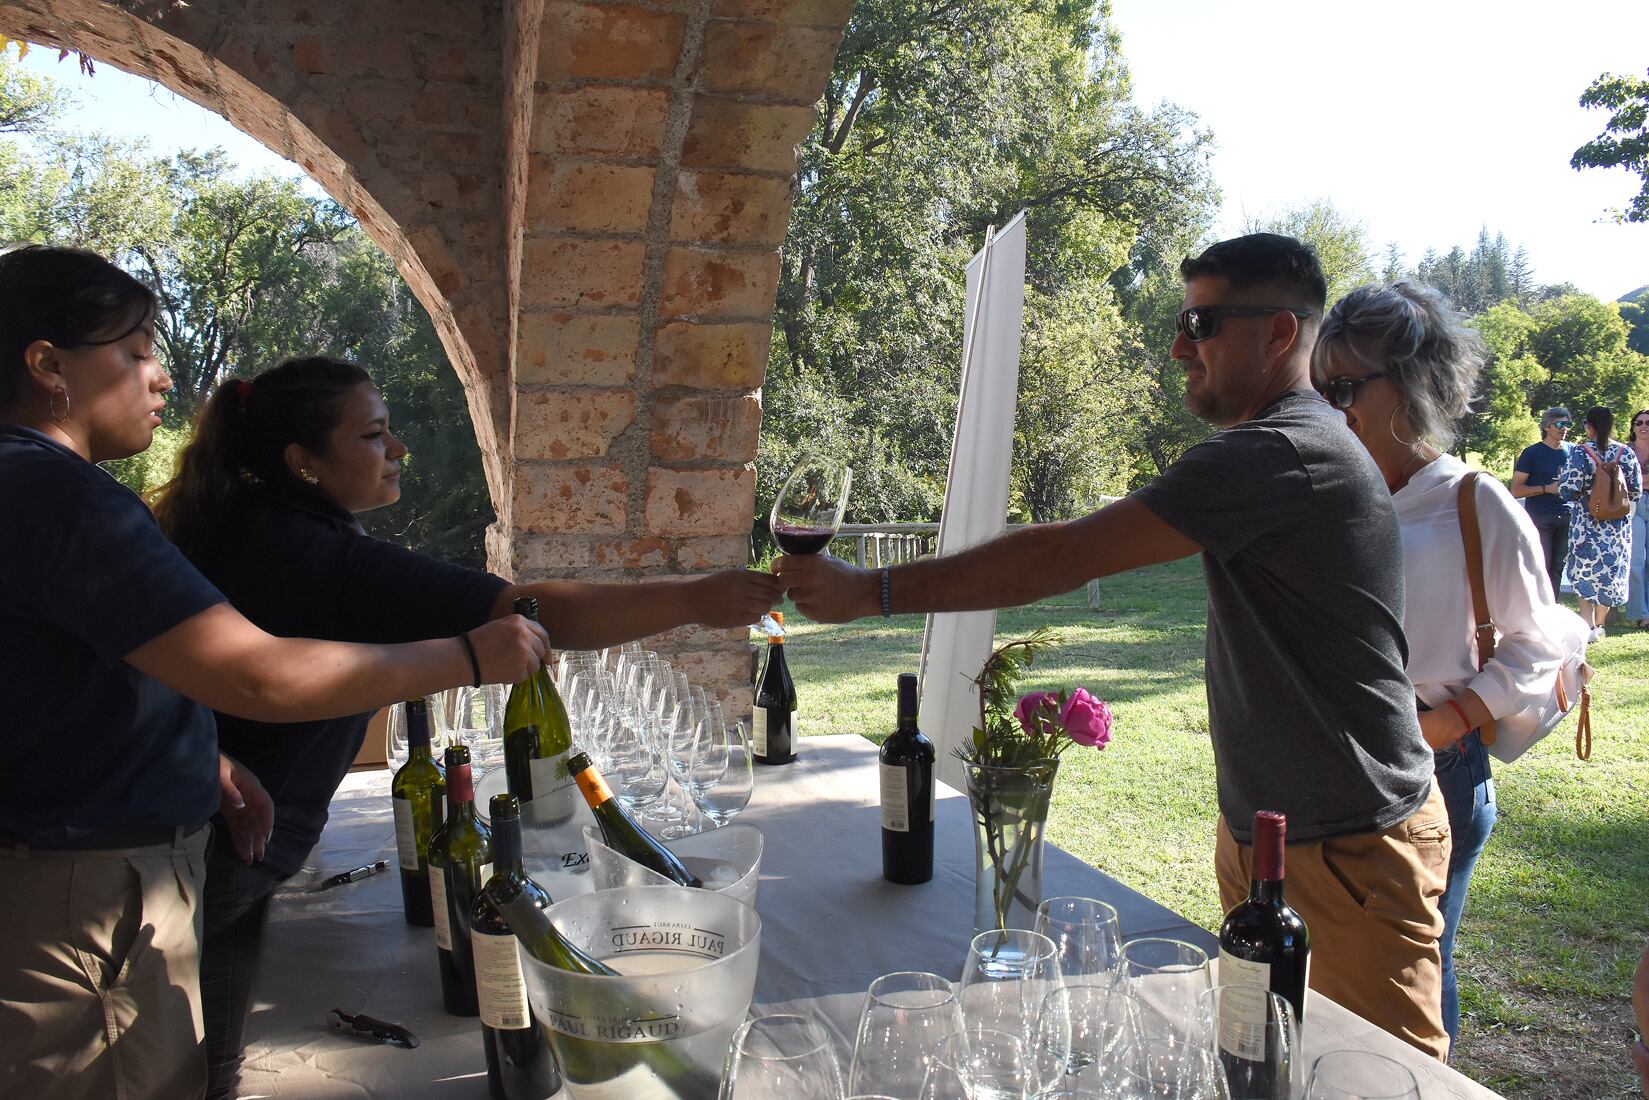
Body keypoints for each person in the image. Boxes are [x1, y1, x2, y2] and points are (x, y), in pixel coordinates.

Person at [776, 233, 1452, 1060]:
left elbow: (1066, 552)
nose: (1179, 344)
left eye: (1202, 323)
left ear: (1279, 333)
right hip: (1277, 835)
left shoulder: (1283, 450)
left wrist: (870, 591)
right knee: (1267, 1064)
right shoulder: (1285, 445)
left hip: (1350, 840)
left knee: (1381, 1076)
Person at [149, 355, 784, 1099]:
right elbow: (527, 611)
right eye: (376, 435)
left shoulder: (239, 528)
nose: (400, 450)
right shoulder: (318, 556)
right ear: (303, 462)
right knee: (192, 1076)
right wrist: (694, 596)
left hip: (201, 830)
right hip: (215, 853)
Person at [0, 245, 548, 1100]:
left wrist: (200, 756)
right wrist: (471, 657)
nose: (159, 379)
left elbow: (57, 672)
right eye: (137, 351)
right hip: (79, 899)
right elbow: (255, 676)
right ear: (47, 365)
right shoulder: (57, 491)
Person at [1312, 281, 1572, 1052]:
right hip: (1331, 759)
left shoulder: (1475, 501)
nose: (1330, 409)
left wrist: (1437, 727)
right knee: (1331, 964)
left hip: (1438, 764)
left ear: (1415, 383)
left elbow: (1535, 646)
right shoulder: (1328, 494)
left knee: (1414, 969)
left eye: (1346, 387)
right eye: (1320, 389)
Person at [1558, 406, 1643, 640]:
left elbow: (1569, 488)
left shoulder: (1581, 452)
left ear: (1590, 425)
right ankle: (1600, 624)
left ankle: (1587, 624)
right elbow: (1635, 490)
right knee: (1610, 572)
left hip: (1587, 521)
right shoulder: (1625, 452)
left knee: (1583, 570)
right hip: (1616, 525)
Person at [1511, 407, 1575, 595]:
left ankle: (1552, 609)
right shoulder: (1532, 453)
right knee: (1541, 565)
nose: (1564, 429)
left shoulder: (1574, 451)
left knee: (1558, 566)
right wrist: (1547, 489)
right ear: (1547, 426)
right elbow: (1515, 490)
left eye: (1567, 424)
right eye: (1559, 424)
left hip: (1567, 516)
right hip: (1540, 517)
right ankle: (1535, 606)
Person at [1622, 409, 1649, 629]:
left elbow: (1635, 480)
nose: (1643, 426)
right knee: (1635, 562)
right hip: (1633, 507)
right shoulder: (1625, 451)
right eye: (1638, 422)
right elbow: (1624, 483)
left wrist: (1639, 480)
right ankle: (1641, 614)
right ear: (1632, 427)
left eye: (1648, 423)